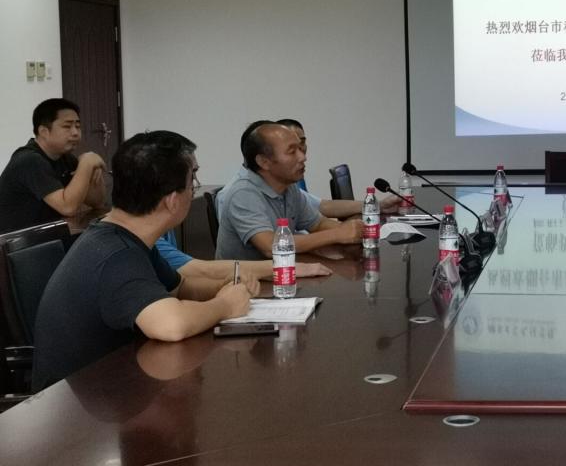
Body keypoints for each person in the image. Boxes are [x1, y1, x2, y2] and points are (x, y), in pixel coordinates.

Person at [32, 131, 257, 391]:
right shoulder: (116, 255)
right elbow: (171, 325)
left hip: (112, 385)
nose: (194, 187)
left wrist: (226, 284)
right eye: (192, 180)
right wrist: (225, 305)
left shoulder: (125, 236)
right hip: (74, 405)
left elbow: (180, 288)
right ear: (172, 201)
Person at [216, 122, 364, 261]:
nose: (303, 157)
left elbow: (318, 224)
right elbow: (271, 246)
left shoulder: (289, 187)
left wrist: (357, 231)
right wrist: (338, 234)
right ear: (264, 162)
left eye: (301, 149)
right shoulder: (243, 194)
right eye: (292, 152)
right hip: (249, 278)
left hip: (284, 270)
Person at [0, 98, 107, 232]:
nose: (75, 132)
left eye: (78, 126)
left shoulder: (65, 158)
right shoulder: (29, 160)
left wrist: (93, 169)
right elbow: (67, 208)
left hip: (46, 236)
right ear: (44, 132)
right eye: (67, 126)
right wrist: (86, 164)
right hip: (16, 242)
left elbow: (97, 202)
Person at [154, 229, 332, 284]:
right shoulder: (149, 237)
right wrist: (282, 266)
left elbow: (180, 286)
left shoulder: (166, 228)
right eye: (192, 177)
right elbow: (199, 270)